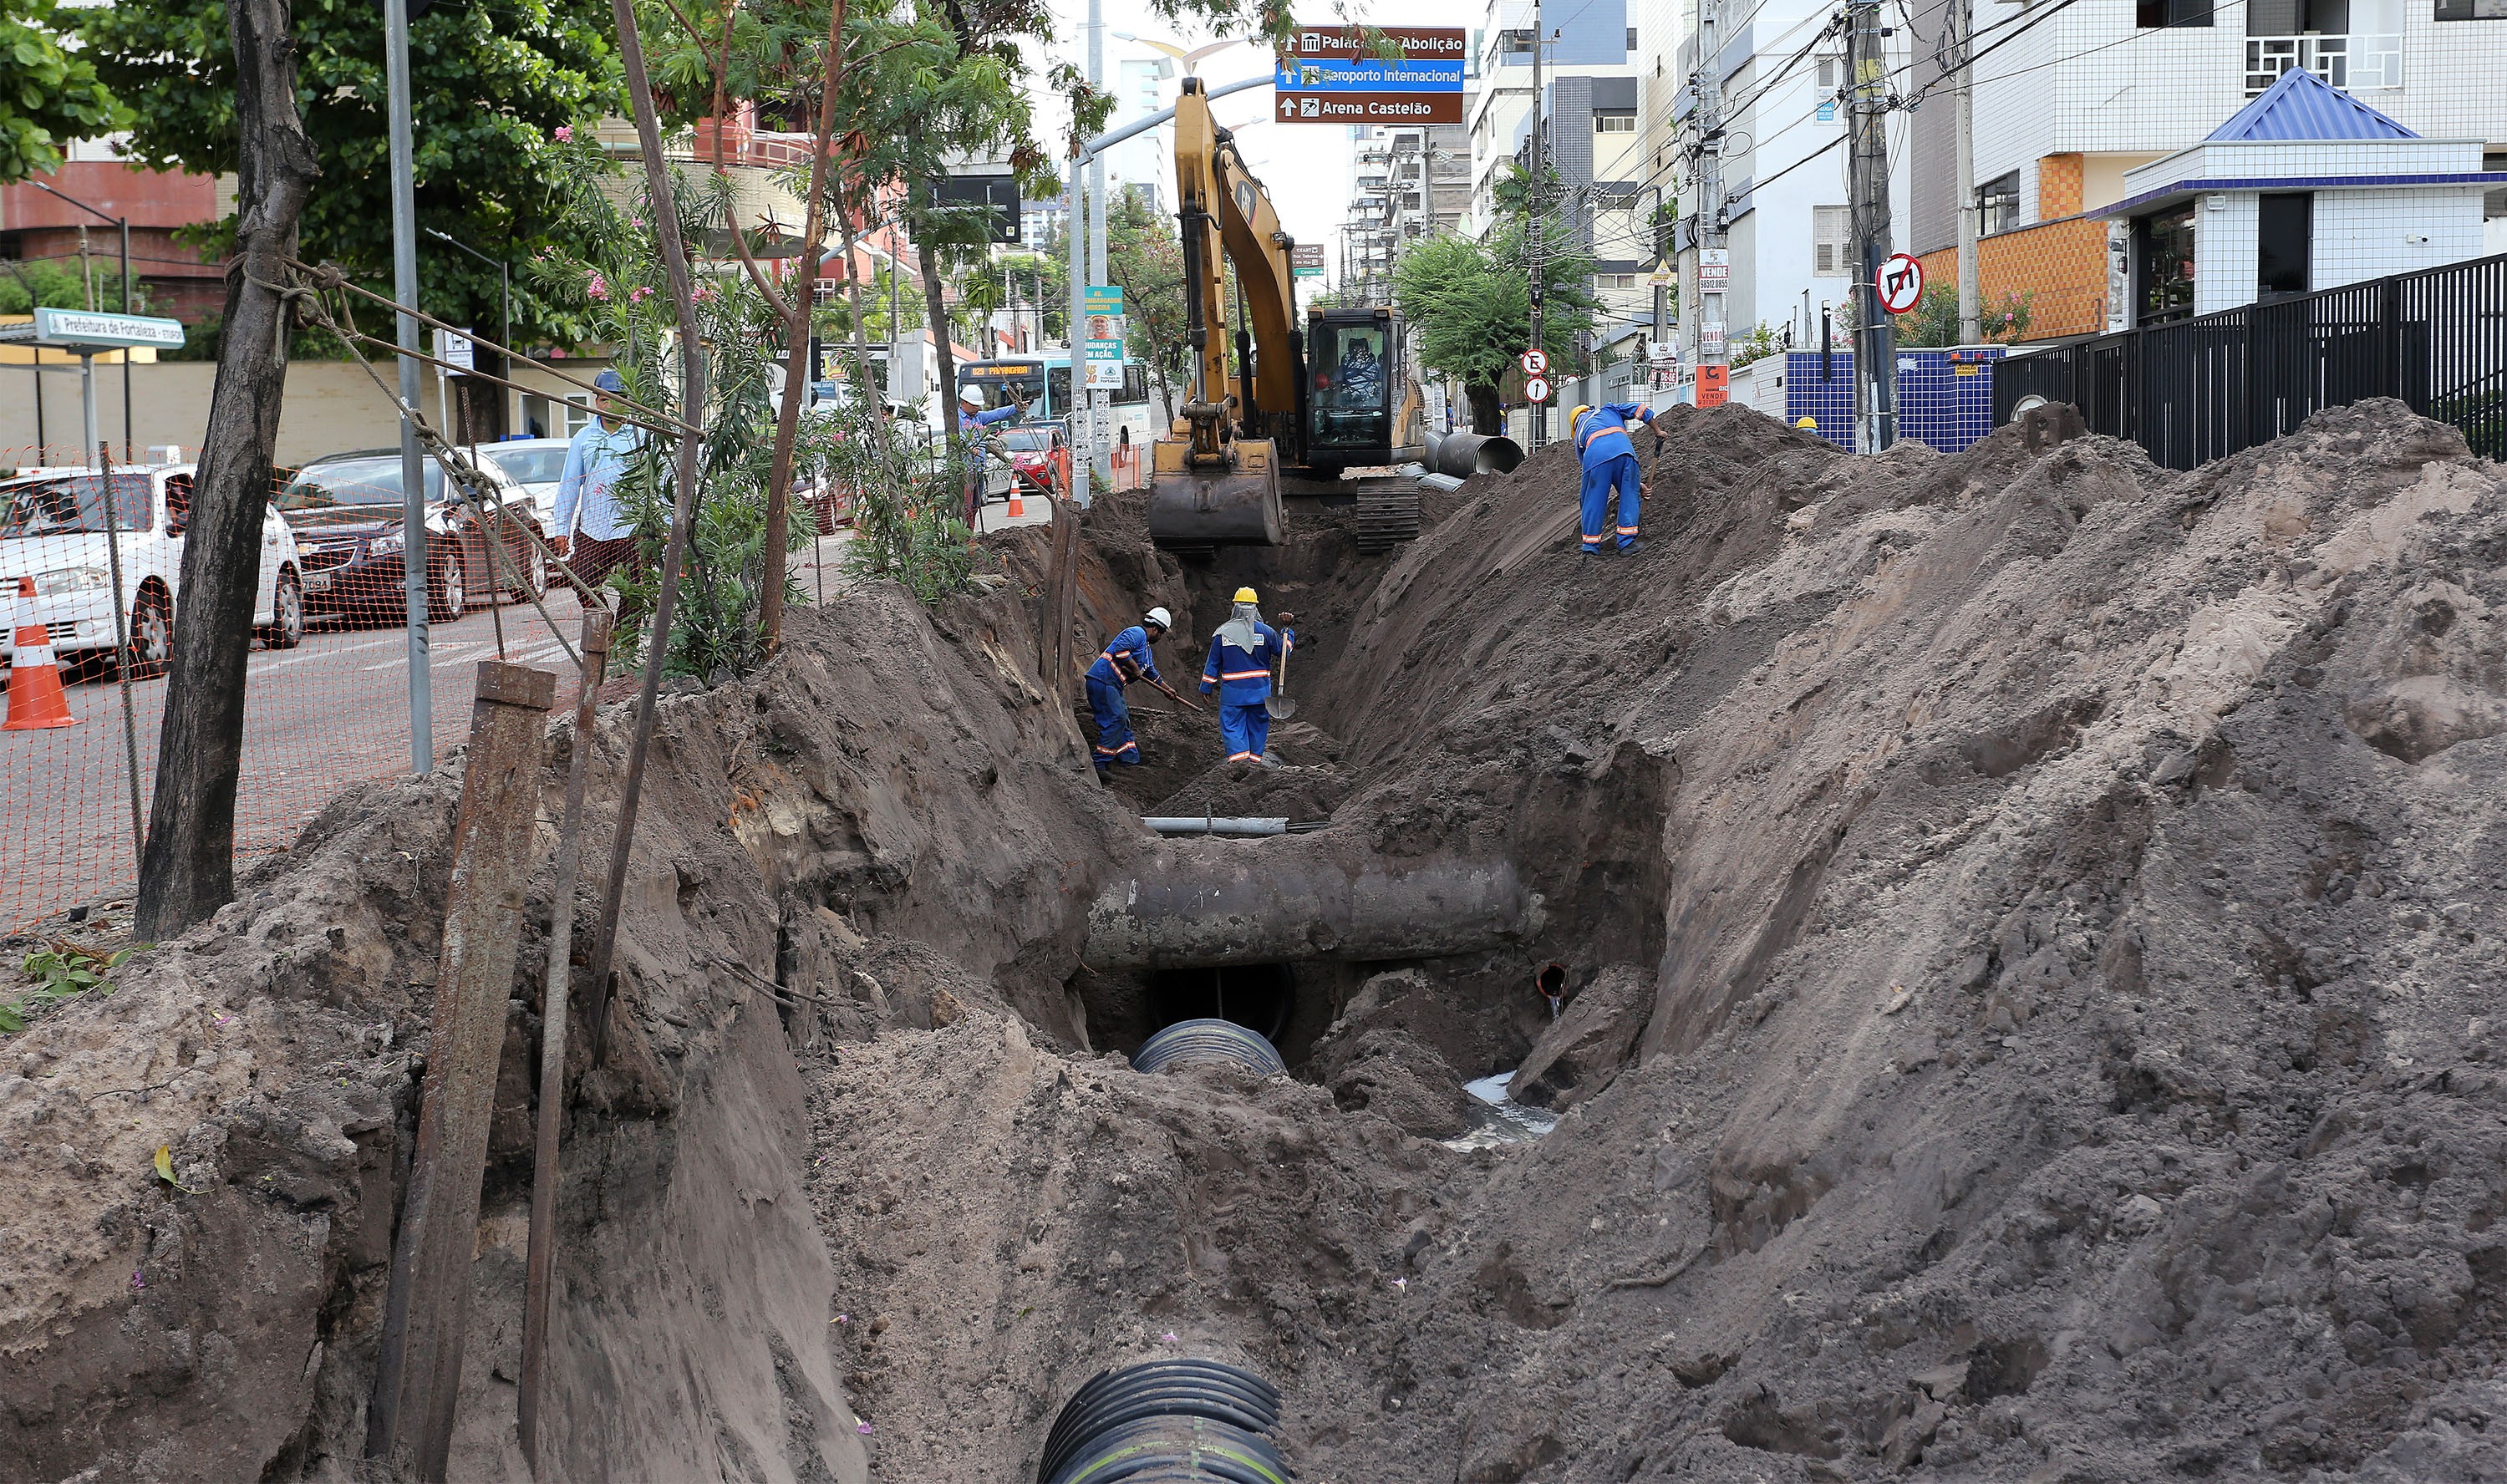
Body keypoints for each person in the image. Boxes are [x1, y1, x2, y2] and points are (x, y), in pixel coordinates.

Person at [552, 369, 649, 587]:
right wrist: (561, 529)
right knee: (583, 583)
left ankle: (625, 624)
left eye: (616, 400)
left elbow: (660, 481)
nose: (610, 406)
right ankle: (600, 619)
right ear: (596, 402)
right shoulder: (584, 438)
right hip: (593, 529)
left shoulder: (640, 435)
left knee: (635, 590)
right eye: (604, 400)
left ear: (627, 402)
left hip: (632, 528)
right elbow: (570, 484)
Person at [1198, 587, 1295, 765]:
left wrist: (1206, 687)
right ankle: (1254, 764)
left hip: (1233, 694)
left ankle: (1239, 765)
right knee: (1257, 727)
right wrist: (1287, 632)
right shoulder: (1266, 632)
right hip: (1260, 693)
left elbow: (1213, 663)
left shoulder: (1223, 634)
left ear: (1234, 607)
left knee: (1233, 726)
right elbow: (1284, 652)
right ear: (1255, 608)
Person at [1086, 607, 1172, 780]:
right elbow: (1121, 651)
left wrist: (1167, 689)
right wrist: (1134, 668)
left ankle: (1129, 759)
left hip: (1113, 685)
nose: (1160, 638)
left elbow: (1150, 673)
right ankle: (1099, 763)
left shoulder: (1146, 649)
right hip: (1103, 680)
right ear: (1155, 629)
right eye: (1161, 634)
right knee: (1116, 718)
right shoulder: (1136, 633)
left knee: (1123, 717)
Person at [1567, 402, 1655, 557]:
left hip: (1596, 457)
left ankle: (1590, 546)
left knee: (1592, 500)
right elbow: (1639, 409)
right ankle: (1627, 543)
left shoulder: (1580, 430)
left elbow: (1589, 471)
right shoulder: (1610, 409)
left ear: (1575, 423)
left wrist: (1585, 500)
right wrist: (1658, 430)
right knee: (1630, 494)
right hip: (1625, 451)